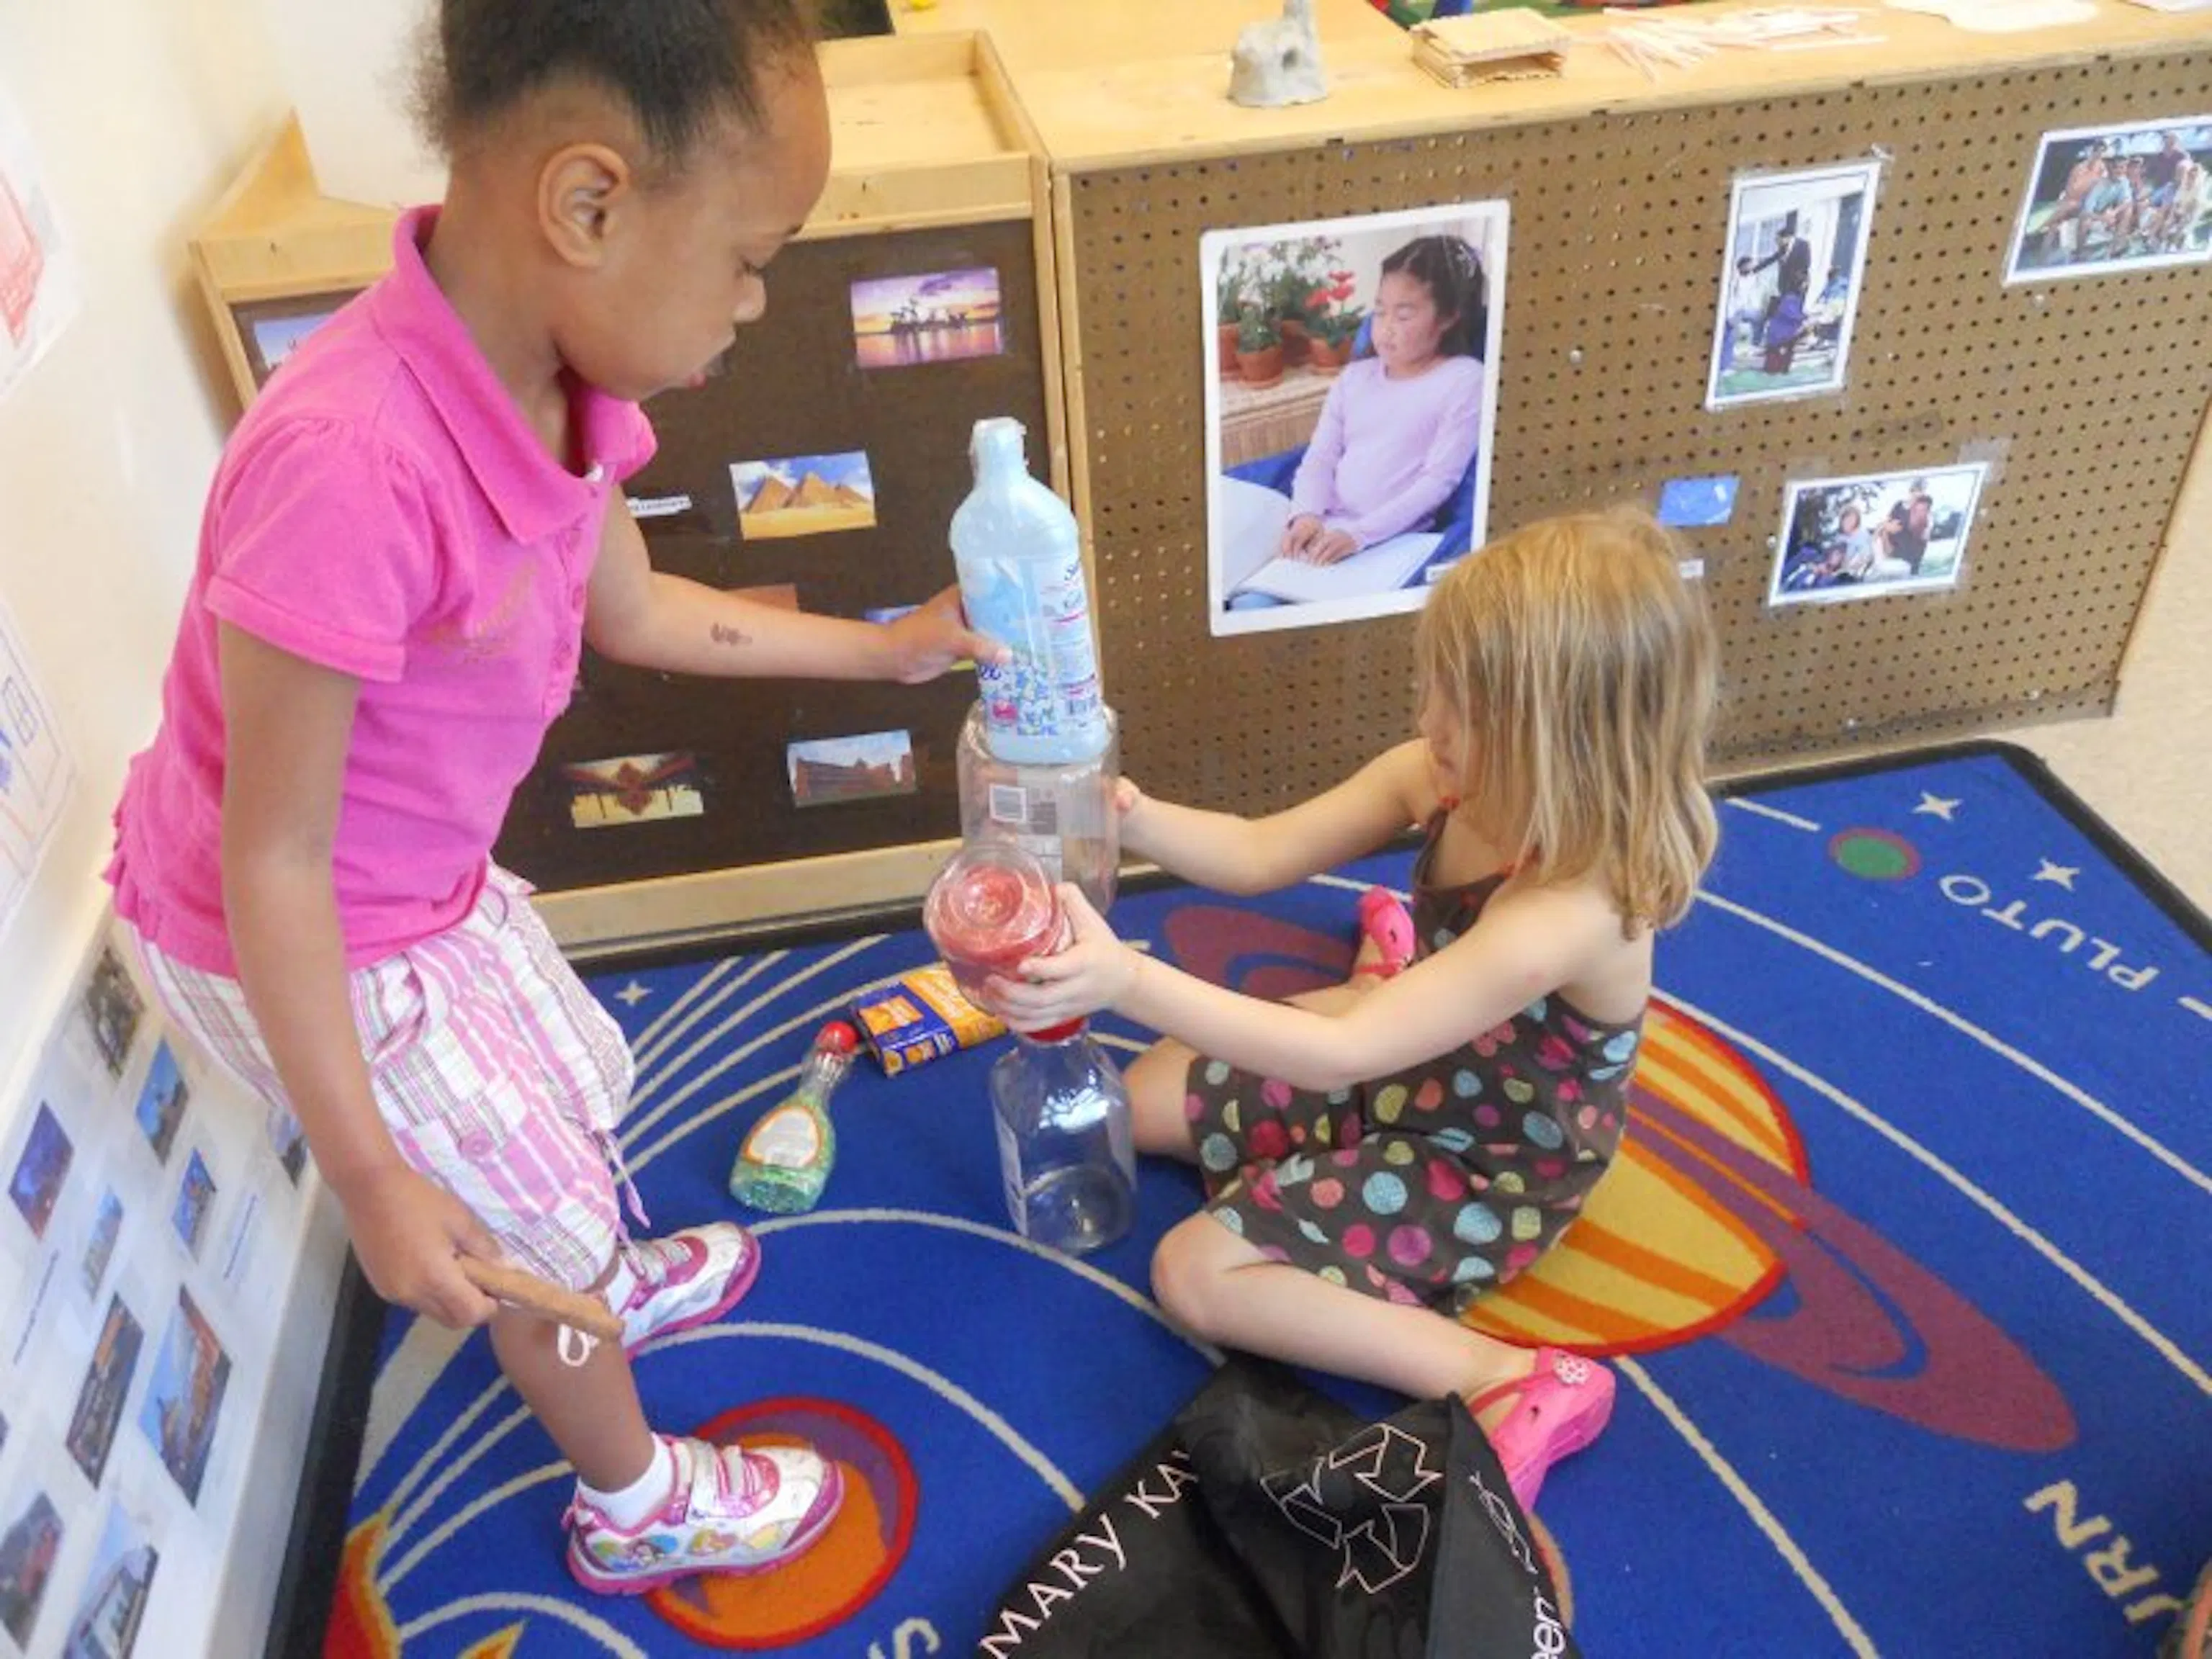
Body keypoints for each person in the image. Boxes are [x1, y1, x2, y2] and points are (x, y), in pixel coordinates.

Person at [104, 0, 999, 1596]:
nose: (754, 303)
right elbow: (274, 855)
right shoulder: (348, 467)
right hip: (308, 932)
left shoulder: (556, 379)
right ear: (588, 204)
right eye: (748, 259)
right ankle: (633, 1497)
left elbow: (635, 610)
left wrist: (886, 652)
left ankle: (591, 1259)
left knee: (565, 1093)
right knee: (522, 1235)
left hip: (418, 893)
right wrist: (371, 1178)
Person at [989, 510, 1719, 1510]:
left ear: (1558, 742)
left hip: (1486, 1155)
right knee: (1139, 1100)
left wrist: (1128, 982)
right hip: (1406, 1051)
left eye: (1461, 705)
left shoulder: (1569, 909)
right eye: (1437, 686)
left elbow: (1341, 1052)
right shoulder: (1451, 777)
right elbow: (1260, 852)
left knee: (1194, 1273)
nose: (1428, 719)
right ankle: (1398, 973)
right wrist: (1132, 813)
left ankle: (1506, 1377)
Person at [1218, 235, 1488, 611]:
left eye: (1404, 315)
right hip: (1324, 531)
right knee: (1245, 602)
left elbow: (1438, 482)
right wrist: (1306, 514)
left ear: (1448, 317)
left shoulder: (1463, 380)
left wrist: (1359, 535)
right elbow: (1321, 457)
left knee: (1262, 611)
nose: (1386, 328)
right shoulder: (1356, 377)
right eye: (1379, 311)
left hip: (1390, 543)